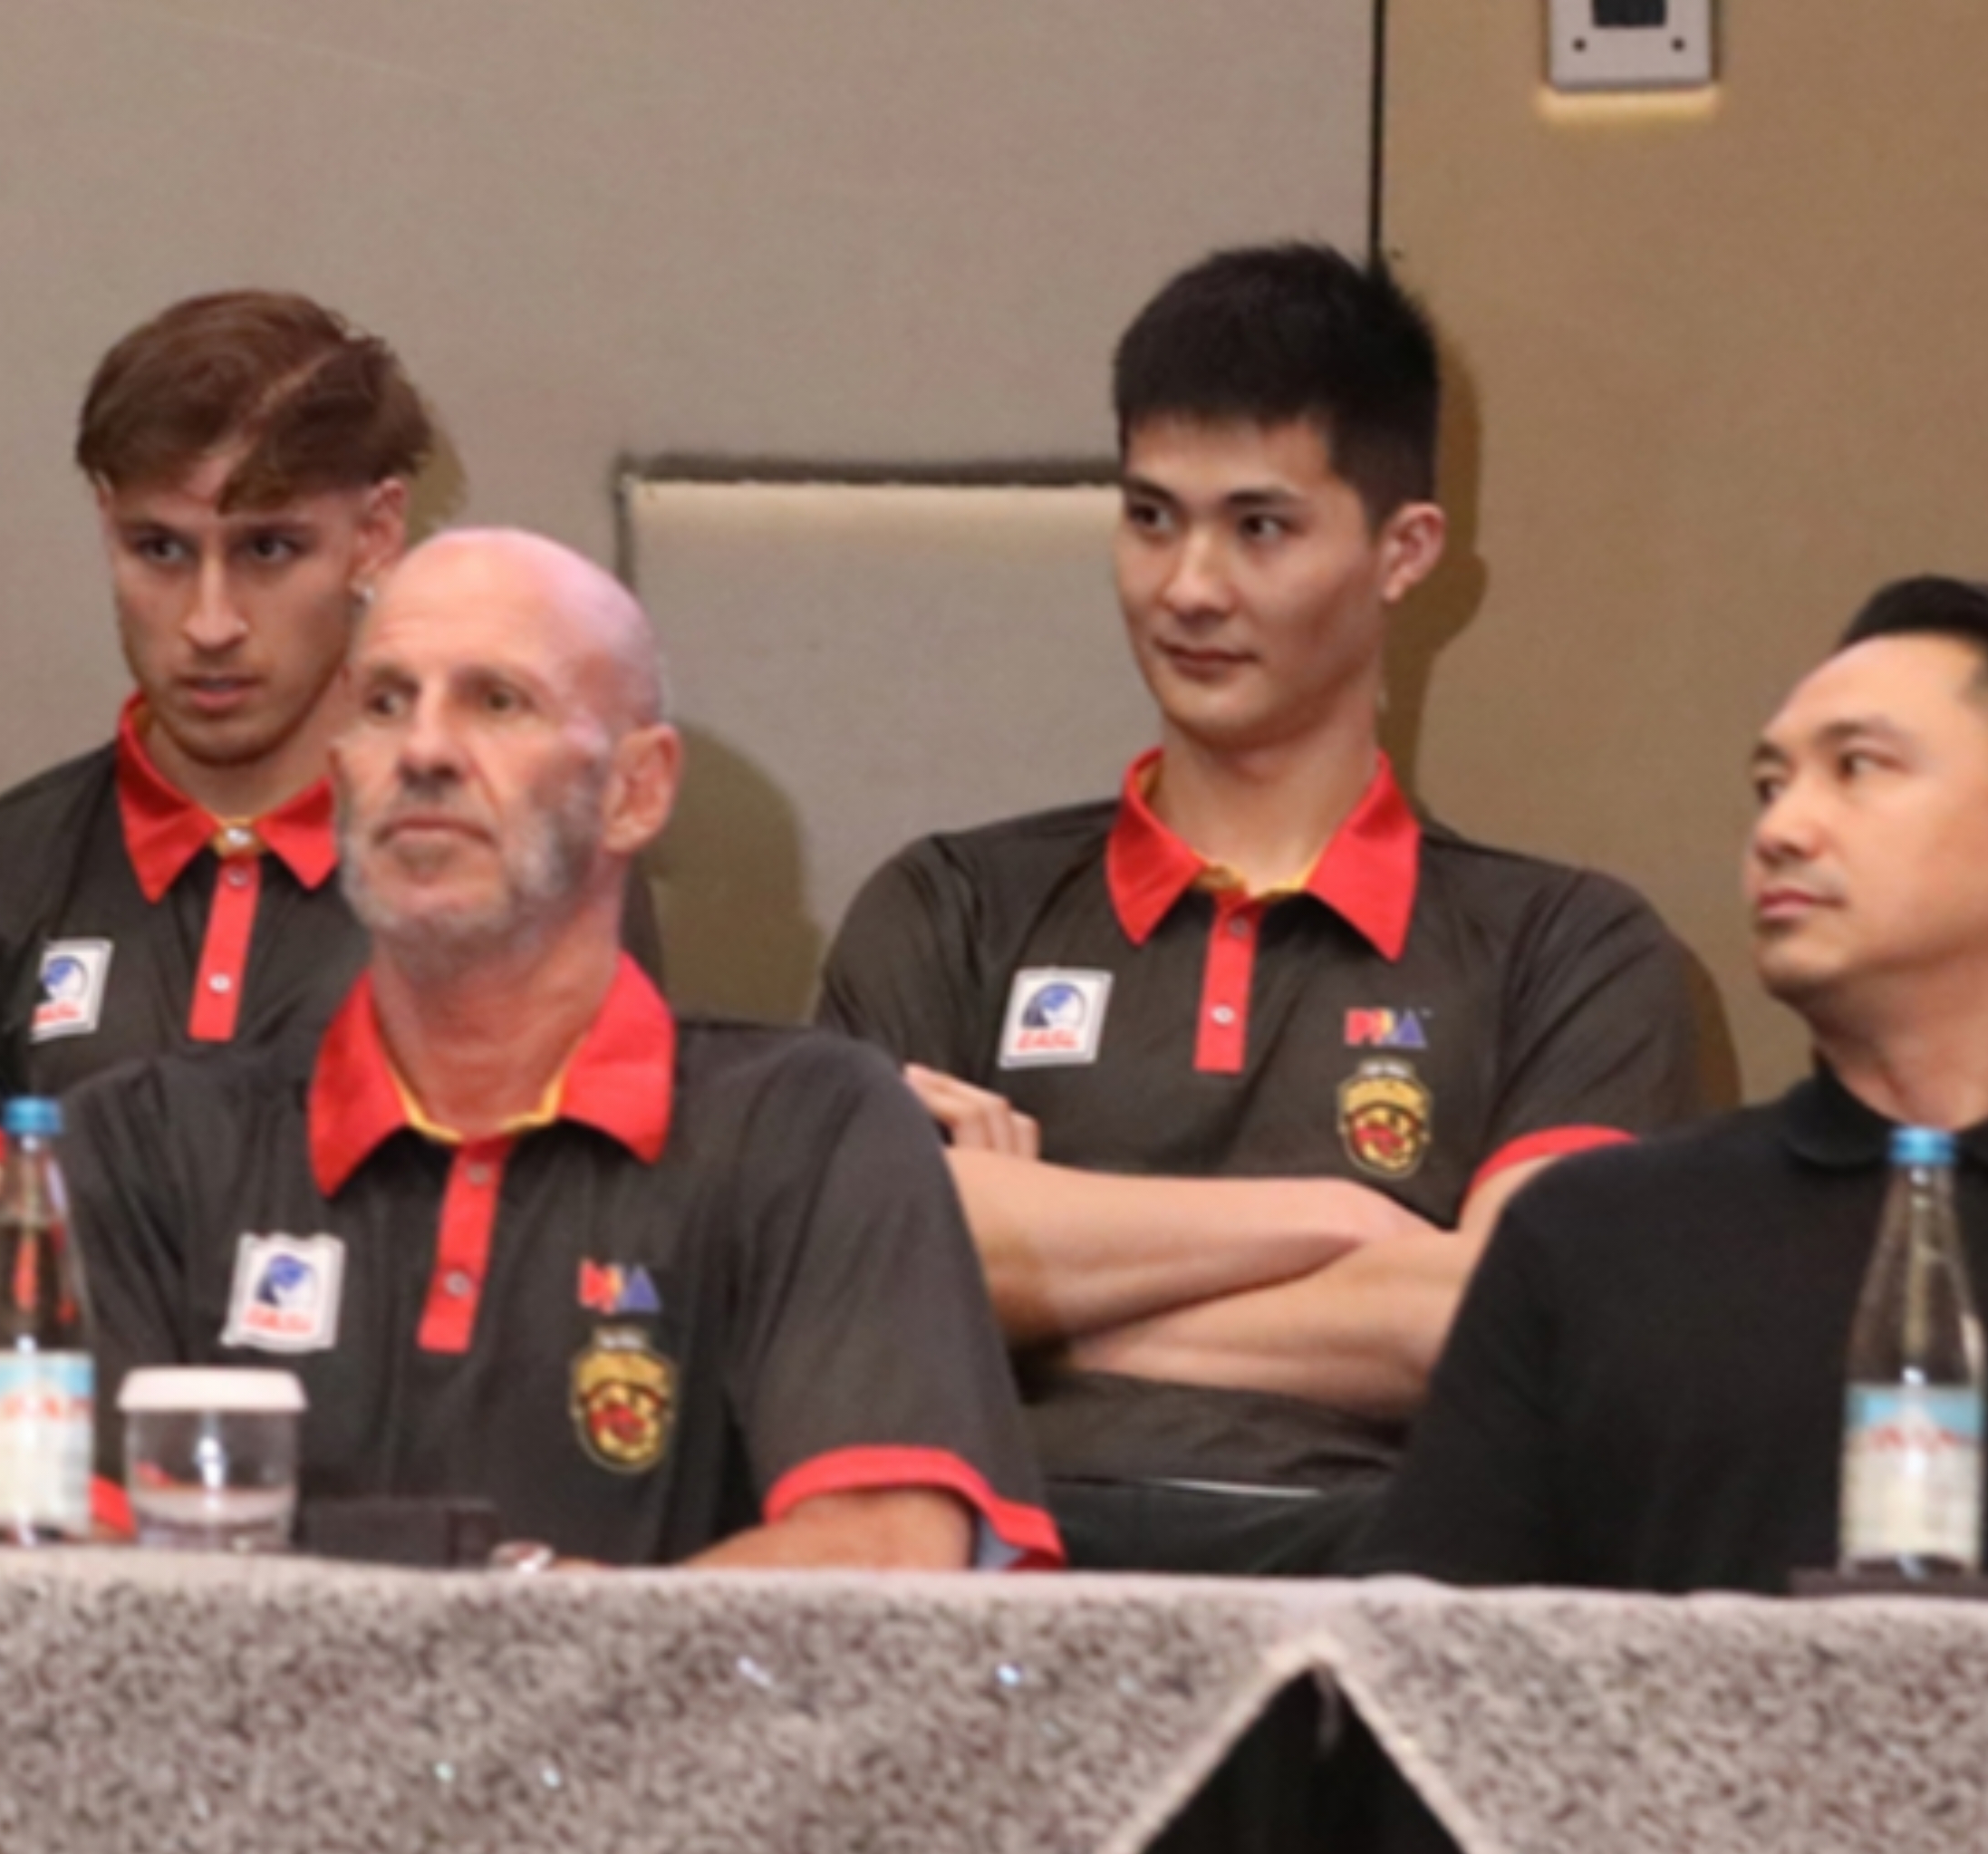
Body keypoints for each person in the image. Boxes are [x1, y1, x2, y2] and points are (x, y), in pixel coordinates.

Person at [815, 244, 1701, 1574]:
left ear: (1403, 551)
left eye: (1259, 527)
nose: (1188, 587)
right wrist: (1340, 1218)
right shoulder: (950, 906)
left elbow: (1503, 1326)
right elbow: (847, 1277)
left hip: (1380, 1599)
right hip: (996, 1589)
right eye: (1150, 517)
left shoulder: (1568, 946)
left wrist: (1021, 1289)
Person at [63, 529, 1055, 1569]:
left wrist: (537, 1634)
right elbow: (48, 1575)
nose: (424, 750)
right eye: (386, 702)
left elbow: (886, 1550)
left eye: (496, 701)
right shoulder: (138, 1145)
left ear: (637, 790)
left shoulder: (809, 1125)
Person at [1363, 577, 1988, 1594]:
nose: (1782, 830)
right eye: (1770, 785)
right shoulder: (1597, 1236)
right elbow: (1428, 1657)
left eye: (1857, 768)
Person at [0, 291, 422, 1193]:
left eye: (269, 550)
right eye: (160, 550)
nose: (210, 623)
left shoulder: (513, 884)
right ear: (106, 524)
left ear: (375, 535)